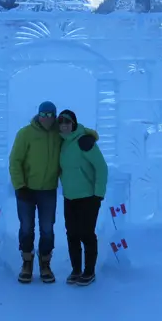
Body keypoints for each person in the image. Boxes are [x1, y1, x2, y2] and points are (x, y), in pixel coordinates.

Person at [8, 101, 98, 284]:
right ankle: (26, 263)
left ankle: (45, 264)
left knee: (47, 230)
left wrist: (91, 135)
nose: (47, 118)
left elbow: (76, 130)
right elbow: (14, 161)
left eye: (50, 115)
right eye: (44, 114)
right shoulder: (25, 134)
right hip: (26, 190)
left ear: (55, 117)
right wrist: (19, 186)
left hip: (48, 191)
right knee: (26, 228)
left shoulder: (59, 134)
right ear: (38, 115)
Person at [57, 109, 108, 286]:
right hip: (69, 197)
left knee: (86, 234)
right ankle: (76, 270)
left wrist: (98, 194)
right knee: (72, 234)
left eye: (68, 122)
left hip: (88, 197)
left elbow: (101, 168)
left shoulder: (84, 141)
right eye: (61, 122)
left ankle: (89, 271)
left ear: (74, 123)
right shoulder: (62, 143)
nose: (64, 125)